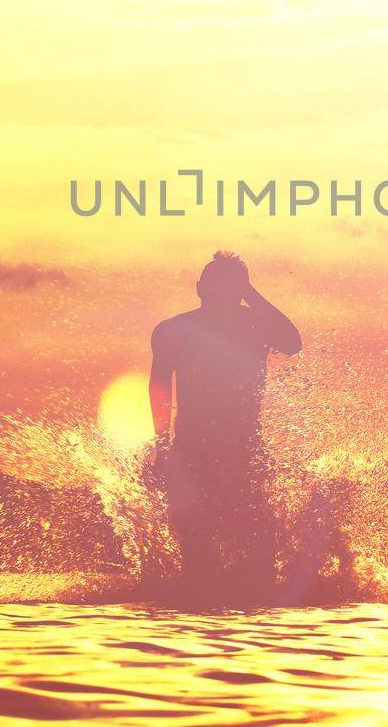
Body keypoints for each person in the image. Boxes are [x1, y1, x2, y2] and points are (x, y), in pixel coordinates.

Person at [149, 252, 301, 601]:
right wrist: (163, 447)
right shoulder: (175, 330)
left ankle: (247, 622)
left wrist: (250, 293)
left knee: (258, 552)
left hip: (244, 447)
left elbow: (292, 344)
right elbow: (159, 387)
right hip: (191, 448)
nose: (219, 295)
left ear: (241, 292)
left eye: (231, 288)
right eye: (214, 286)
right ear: (199, 288)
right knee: (197, 551)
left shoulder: (255, 325)